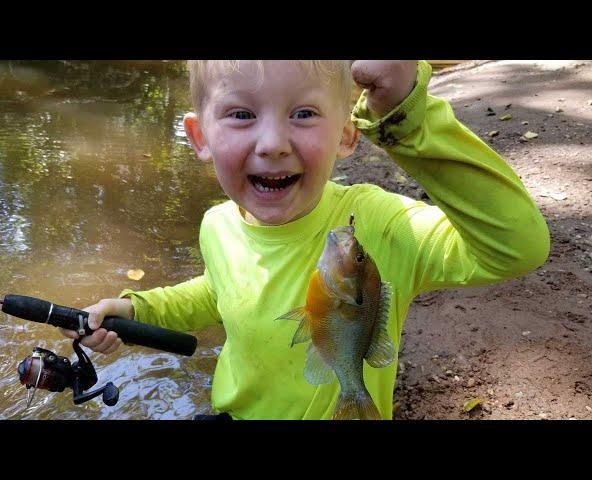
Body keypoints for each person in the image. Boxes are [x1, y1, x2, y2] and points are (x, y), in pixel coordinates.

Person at [60, 60, 550, 420]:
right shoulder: (217, 225)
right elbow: (218, 294)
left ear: (347, 134)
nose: (272, 142)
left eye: (304, 114)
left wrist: (408, 118)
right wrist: (137, 310)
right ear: (199, 136)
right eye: (240, 114)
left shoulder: (377, 222)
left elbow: (517, 246)